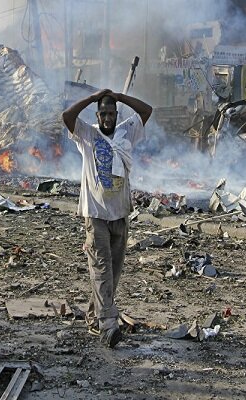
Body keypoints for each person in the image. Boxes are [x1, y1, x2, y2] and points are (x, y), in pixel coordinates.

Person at [62, 89, 152, 348]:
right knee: (101, 268)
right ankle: (108, 325)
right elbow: (67, 116)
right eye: (103, 113)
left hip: (120, 214)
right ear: (97, 115)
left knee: (112, 274)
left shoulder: (126, 131)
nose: (108, 118)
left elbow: (147, 111)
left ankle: (94, 315)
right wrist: (93, 97)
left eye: (112, 113)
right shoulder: (88, 135)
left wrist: (121, 97)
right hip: (96, 214)